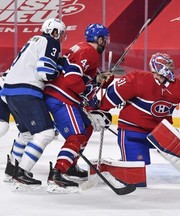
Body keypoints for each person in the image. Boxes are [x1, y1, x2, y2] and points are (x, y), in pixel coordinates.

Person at [44, 23, 112, 193]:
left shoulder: (82, 49)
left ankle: (71, 165)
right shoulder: (89, 52)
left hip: (62, 96)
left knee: (87, 127)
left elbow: (78, 75)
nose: (106, 43)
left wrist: (97, 79)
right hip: (61, 97)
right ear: (100, 39)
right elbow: (72, 79)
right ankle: (57, 174)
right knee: (76, 135)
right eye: (106, 39)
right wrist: (87, 94)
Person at [0, 18, 66, 189]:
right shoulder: (51, 41)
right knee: (46, 133)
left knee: (27, 134)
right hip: (26, 91)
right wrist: (59, 71)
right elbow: (45, 71)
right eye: (61, 34)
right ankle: (22, 173)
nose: (61, 38)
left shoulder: (33, 41)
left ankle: (11, 170)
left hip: (8, 92)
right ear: (55, 31)